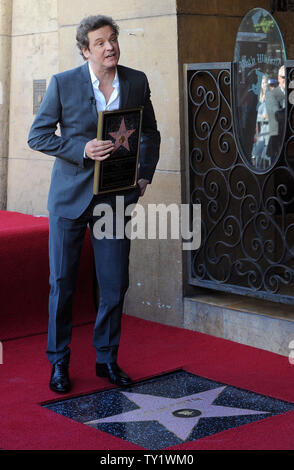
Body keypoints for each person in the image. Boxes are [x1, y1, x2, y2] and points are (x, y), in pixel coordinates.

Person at [28, 15, 160, 393]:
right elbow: (37, 136)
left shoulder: (136, 81)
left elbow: (149, 131)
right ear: (85, 50)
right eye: (100, 42)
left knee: (115, 283)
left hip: (115, 198)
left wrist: (145, 173)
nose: (110, 47)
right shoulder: (63, 83)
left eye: (113, 39)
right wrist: (80, 149)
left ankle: (106, 358)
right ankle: (59, 361)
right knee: (62, 282)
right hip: (69, 199)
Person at [265, 65, 285, 160]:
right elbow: (279, 116)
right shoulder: (271, 94)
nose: (286, 79)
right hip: (277, 145)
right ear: (278, 78)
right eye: (283, 77)